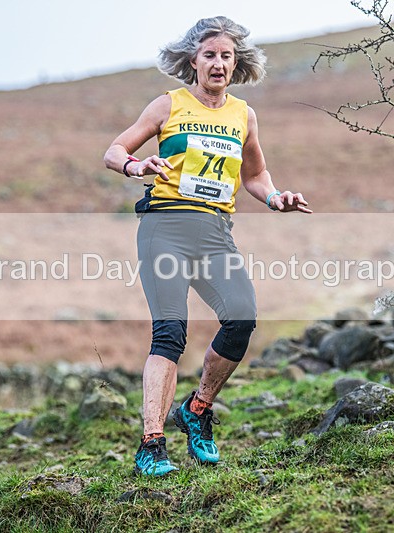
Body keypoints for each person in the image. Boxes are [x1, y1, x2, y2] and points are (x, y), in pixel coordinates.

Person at [103, 16, 312, 476]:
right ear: (193, 61)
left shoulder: (243, 115)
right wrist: (136, 167)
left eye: (227, 56)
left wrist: (276, 198)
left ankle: (196, 410)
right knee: (170, 334)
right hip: (166, 230)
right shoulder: (167, 105)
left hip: (216, 233)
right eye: (210, 55)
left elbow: (254, 176)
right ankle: (151, 445)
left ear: (237, 64)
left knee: (241, 319)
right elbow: (114, 150)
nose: (218, 64)